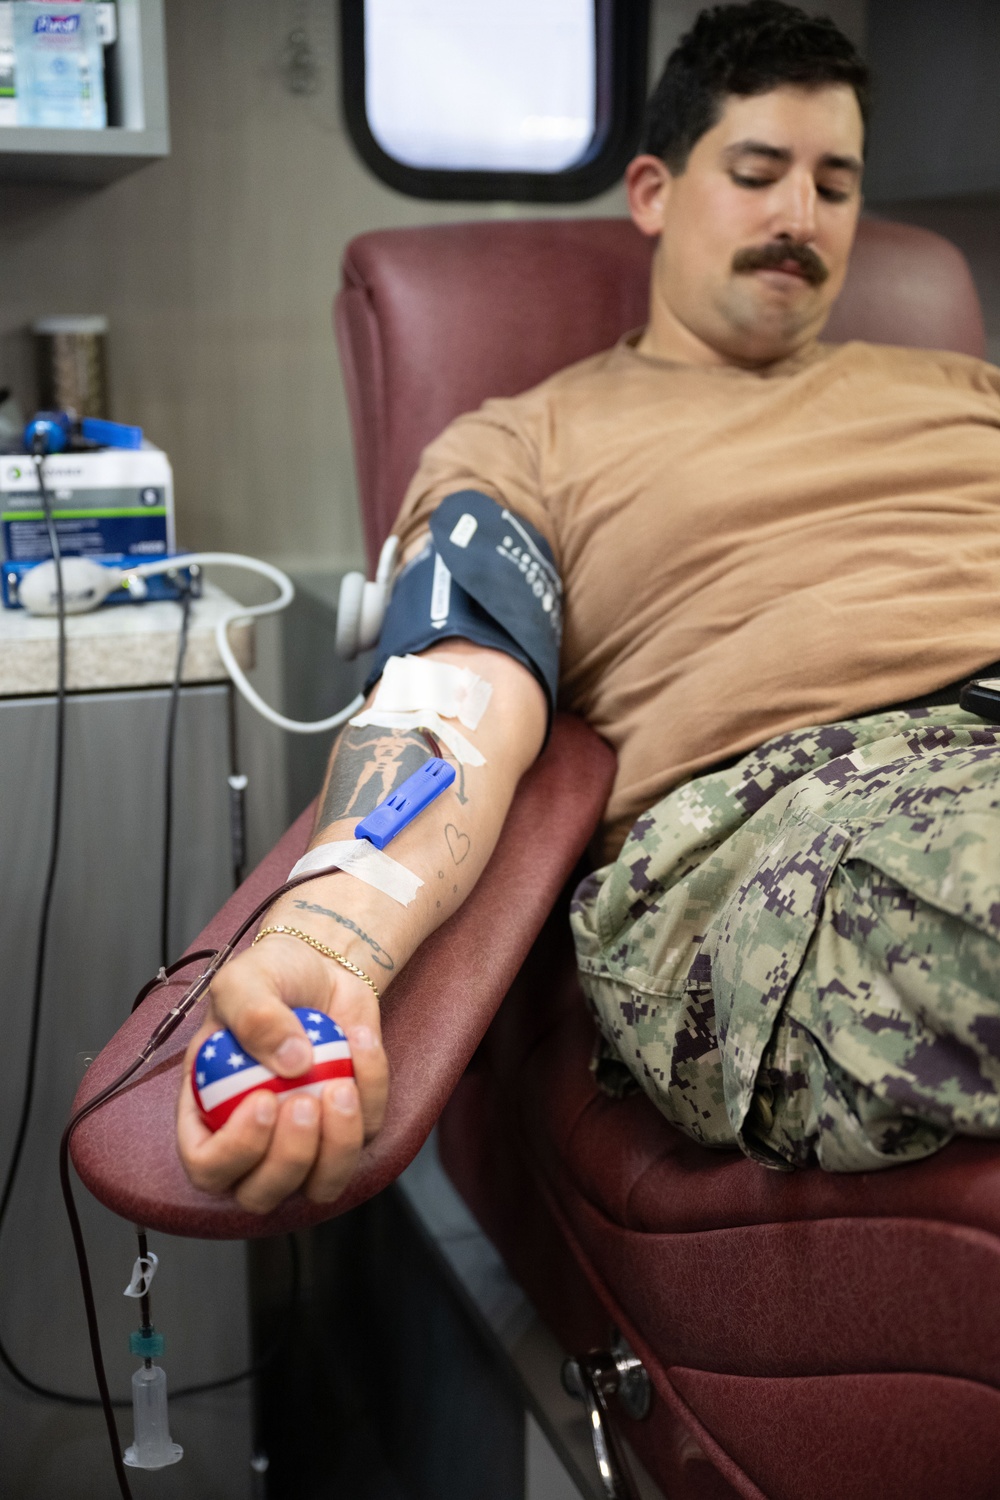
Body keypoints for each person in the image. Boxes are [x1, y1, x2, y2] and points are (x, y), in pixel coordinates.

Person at [178, 0, 1000, 1209]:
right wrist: (329, 934)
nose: (799, 215)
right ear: (654, 191)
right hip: (804, 809)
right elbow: (456, 696)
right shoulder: (524, 443)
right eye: (757, 173)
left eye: (834, 185)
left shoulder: (964, 390)